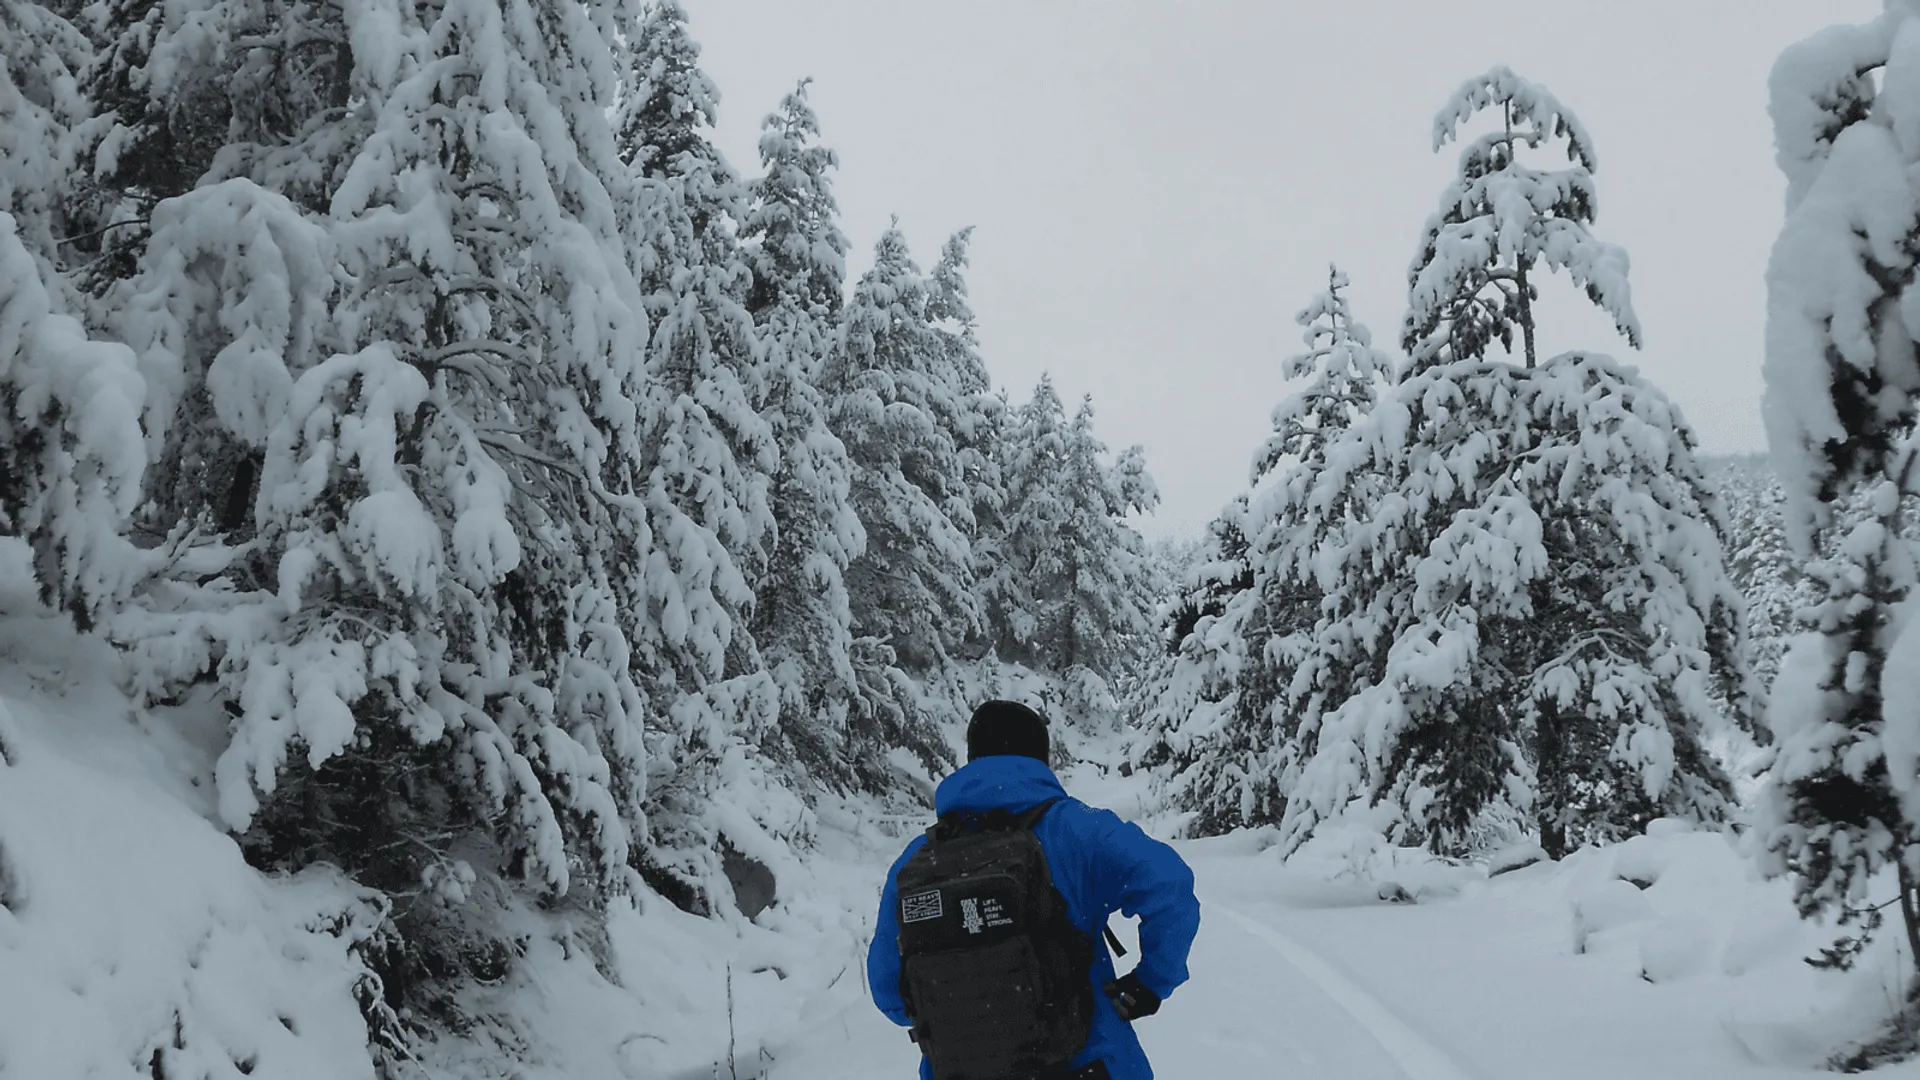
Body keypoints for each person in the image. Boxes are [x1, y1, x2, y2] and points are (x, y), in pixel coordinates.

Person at [867, 700, 1201, 1080]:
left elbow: (889, 994)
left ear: (972, 758)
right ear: (1041, 759)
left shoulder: (919, 859)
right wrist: (1151, 983)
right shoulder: (1079, 830)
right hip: (1087, 1065)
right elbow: (1170, 884)